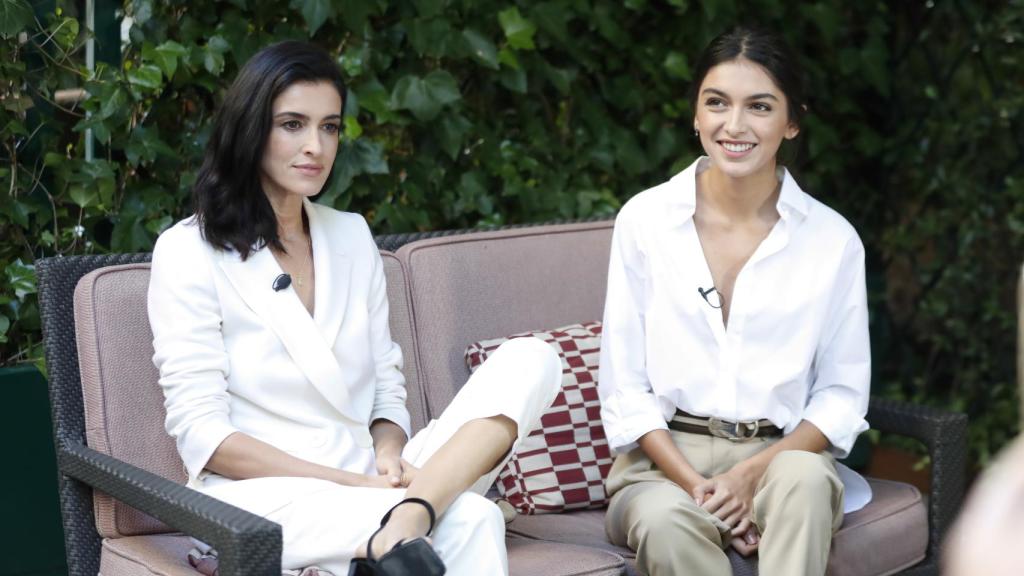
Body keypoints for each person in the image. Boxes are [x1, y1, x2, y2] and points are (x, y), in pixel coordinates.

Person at [147, 41, 561, 576]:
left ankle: (406, 520)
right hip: (262, 499)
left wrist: (388, 455)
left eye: (330, 127)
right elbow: (206, 439)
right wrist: (354, 485)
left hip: (378, 478)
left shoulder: (351, 235)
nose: (315, 146)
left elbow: (386, 391)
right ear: (250, 130)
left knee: (533, 359)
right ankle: (410, 518)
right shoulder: (188, 250)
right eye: (292, 125)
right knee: (474, 517)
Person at [598, 26, 871, 576]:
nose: (735, 125)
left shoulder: (832, 240)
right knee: (665, 522)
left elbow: (841, 396)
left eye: (760, 106)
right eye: (717, 102)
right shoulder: (644, 221)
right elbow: (625, 385)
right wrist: (701, 488)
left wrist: (749, 477)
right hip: (662, 467)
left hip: (782, 460)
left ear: (792, 122)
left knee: (806, 481)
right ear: (696, 115)